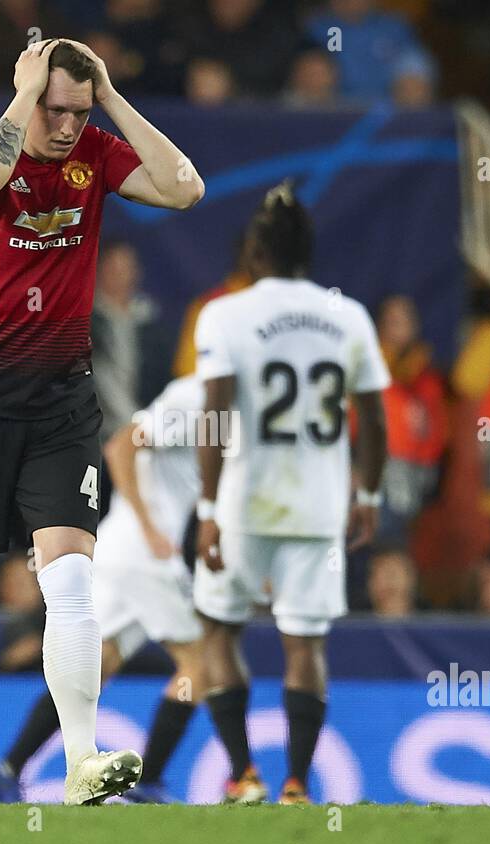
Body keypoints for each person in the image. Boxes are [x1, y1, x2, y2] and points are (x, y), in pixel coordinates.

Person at [0, 38, 204, 807]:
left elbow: (185, 189)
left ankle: (81, 761)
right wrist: (23, 97)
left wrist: (110, 95)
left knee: (70, 578)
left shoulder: (99, 152)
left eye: (81, 111)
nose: (71, 126)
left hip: (61, 401)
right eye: (59, 110)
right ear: (27, 96)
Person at [193, 183, 388, 804]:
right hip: (320, 505)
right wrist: (371, 497)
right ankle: (298, 784)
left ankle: (244, 773)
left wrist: (206, 510)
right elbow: (375, 422)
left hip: (246, 503)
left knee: (218, 630)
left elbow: (216, 416)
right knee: (305, 643)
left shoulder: (225, 313)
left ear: (254, 251)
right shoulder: (349, 314)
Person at [0, 375, 207, 804]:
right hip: (144, 554)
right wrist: (150, 527)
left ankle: (8, 768)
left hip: (125, 552)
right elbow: (121, 446)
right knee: (202, 665)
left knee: (95, 665)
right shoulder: (193, 396)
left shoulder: (223, 406)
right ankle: (152, 778)